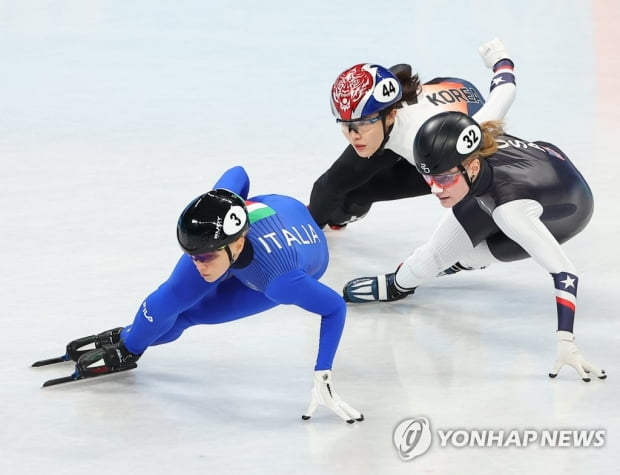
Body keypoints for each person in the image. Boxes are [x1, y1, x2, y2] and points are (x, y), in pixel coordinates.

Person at [47, 166, 364, 423]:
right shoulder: (213, 245)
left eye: (205, 257)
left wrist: (322, 374)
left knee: (191, 315)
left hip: (300, 255)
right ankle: (131, 343)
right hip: (272, 211)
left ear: (236, 243)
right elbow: (238, 173)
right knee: (173, 296)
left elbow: (334, 307)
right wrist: (221, 200)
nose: (198, 264)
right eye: (193, 255)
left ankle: (130, 346)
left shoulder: (280, 281)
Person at [342, 111, 606, 383]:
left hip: (566, 212)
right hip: (532, 169)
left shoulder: (509, 209)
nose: (434, 189)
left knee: (473, 252)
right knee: (429, 258)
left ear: (473, 167)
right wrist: (502, 67)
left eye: (443, 179)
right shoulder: (472, 141)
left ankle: (460, 262)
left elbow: (564, 272)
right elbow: (503, 92)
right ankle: (401, 282)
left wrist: (566, 342)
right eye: (427, 177)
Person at [308, 38, 517, 230]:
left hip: (446, 139)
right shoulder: (383, 110)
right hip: (435, 99)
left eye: (362, 123)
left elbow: (503, 95)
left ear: (391, 114)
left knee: (360, 193)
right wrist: (500, 61)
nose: (353, 135)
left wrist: (501, 59)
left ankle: (337, 216)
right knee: (336, 183)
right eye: (345, 125)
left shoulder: (440, 144)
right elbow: (329, 185)